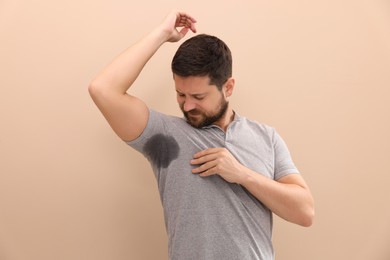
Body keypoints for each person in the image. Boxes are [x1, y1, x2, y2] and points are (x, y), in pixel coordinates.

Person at [88, 10, 314, 260]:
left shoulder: (266, 137)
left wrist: (242, 174)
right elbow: (102, 89)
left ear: (227, 88)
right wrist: (162, 34)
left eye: (198, 97)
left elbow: (304, 212)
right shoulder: (165, 136)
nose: (187, 106)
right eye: (180, 94)